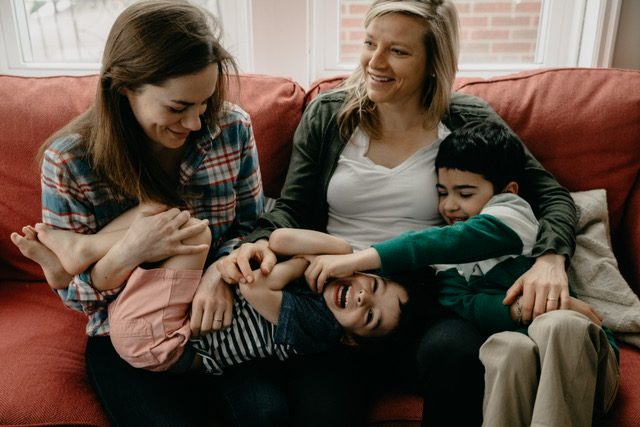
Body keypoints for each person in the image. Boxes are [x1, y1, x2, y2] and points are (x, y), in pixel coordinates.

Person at [217, 1, 578, 425]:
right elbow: (292, 210)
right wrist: (251, 248)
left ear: (432, 63)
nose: (376, 61)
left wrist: (552, 260)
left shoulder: (466, 121)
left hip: (428, 298)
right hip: (339, 294)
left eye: (399, 51)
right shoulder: (329, 115)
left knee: (454, 352)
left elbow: (552, 196)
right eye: (371, 43)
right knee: (321, 407)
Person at [10, 1, 267, 425]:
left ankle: (87, 248)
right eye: (177, 107)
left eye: (204, 104)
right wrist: (130, 251)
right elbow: (78, 300)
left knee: (265, 413)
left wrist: (220, 272)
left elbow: (253, 228)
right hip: (124, 329)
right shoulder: (71, 161)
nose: (197, 123)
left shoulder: (232, 128)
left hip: (223, 314)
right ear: (124, 87)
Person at [301, 119, 620, 426]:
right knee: (507, 348)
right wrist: (525, 311)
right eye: (442, 193)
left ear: (507, 191)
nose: (450, 206)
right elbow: (466, 305)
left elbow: (451, 241)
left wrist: (362, 259)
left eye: (465, 194)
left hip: (587, 368)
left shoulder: (512, 216)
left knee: (557, 324)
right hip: (531, 374)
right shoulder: (447, 269)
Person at [16, 221, 419, 374]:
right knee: (160, 217)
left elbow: (253, 284)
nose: (363, 298)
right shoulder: (325, 283)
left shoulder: (320, 330)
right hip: (159, 323)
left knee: (192, 232)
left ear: (351, 338)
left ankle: (81, 256)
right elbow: (278, 238)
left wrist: (302, 263)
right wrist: (344, 254)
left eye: (370, 318)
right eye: (375, 286)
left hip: (165, 341)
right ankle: (63, 274)